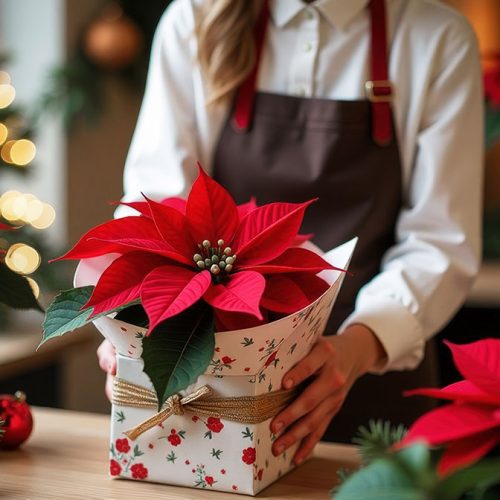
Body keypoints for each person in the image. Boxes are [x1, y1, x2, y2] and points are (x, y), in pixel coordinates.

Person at [97, 0, 483, 465]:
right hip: (214, 374)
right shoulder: (195, 18)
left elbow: (440, 241)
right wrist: (138, 328)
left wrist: (358, 348)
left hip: (373, 375)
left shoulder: (436, 37)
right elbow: (159, 208)